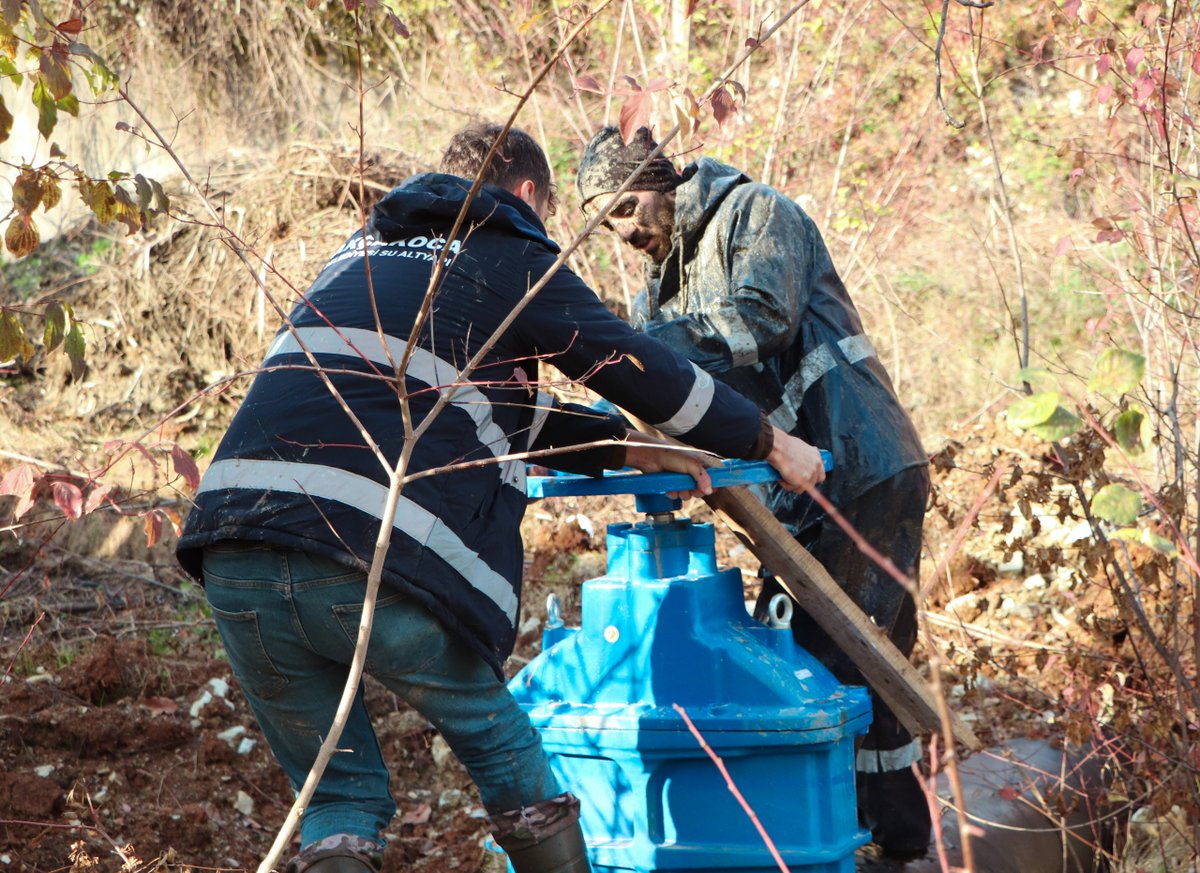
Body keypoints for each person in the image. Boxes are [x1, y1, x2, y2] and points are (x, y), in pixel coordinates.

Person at [175, 123, 827, 873]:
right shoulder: (508, 250)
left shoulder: (360, 252)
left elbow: (459, 404)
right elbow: (630, 363)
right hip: (356, 545)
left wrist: (622, 445)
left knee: (338, 795)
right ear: (525, 194)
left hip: (231, 545)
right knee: (503, 750)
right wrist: (766, 440)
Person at [576, 125, 932, 861]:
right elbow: (656, 392)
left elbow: (762, 318)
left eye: (627, 207)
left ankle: (877, 845)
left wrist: (643, 348)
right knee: (814, 660)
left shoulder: (757, 213)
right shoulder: (655, 298)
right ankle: (870, 840)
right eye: (607, 222)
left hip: (863, 462)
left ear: (661, 179)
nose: (624, 231)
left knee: (834, 665)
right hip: (789, 499)